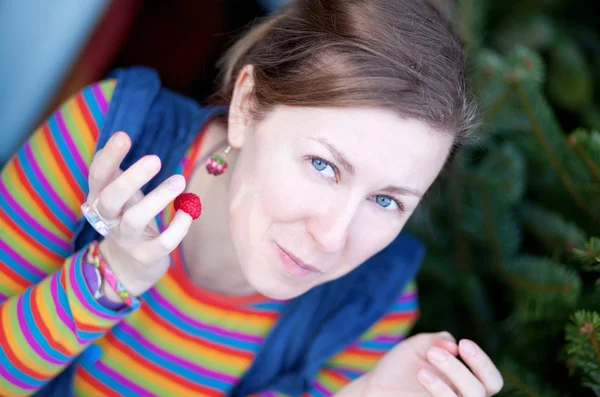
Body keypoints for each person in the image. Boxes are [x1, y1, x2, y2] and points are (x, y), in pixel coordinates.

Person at [0, 0, 504, 396]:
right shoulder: (105, 135)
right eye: (323, 165)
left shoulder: (374, 306)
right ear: (245, 106)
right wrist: (107, 279)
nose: (331, 238)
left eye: (387, 201)